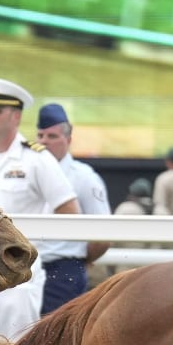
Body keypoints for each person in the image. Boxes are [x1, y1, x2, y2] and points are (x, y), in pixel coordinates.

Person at [0, 78, 80, 338]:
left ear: (15, 116)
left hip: (19, 271)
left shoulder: (37, 159)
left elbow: (70, 212)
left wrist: (38, 247)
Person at [33, 101, 110, 314]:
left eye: (52, 136)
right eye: (40, 136)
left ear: (68, 140)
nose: (44, 142)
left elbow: (103, 234)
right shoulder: (28, 171)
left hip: (63, 271)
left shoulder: (85, 177)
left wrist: (80, 260)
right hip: (30, 268)